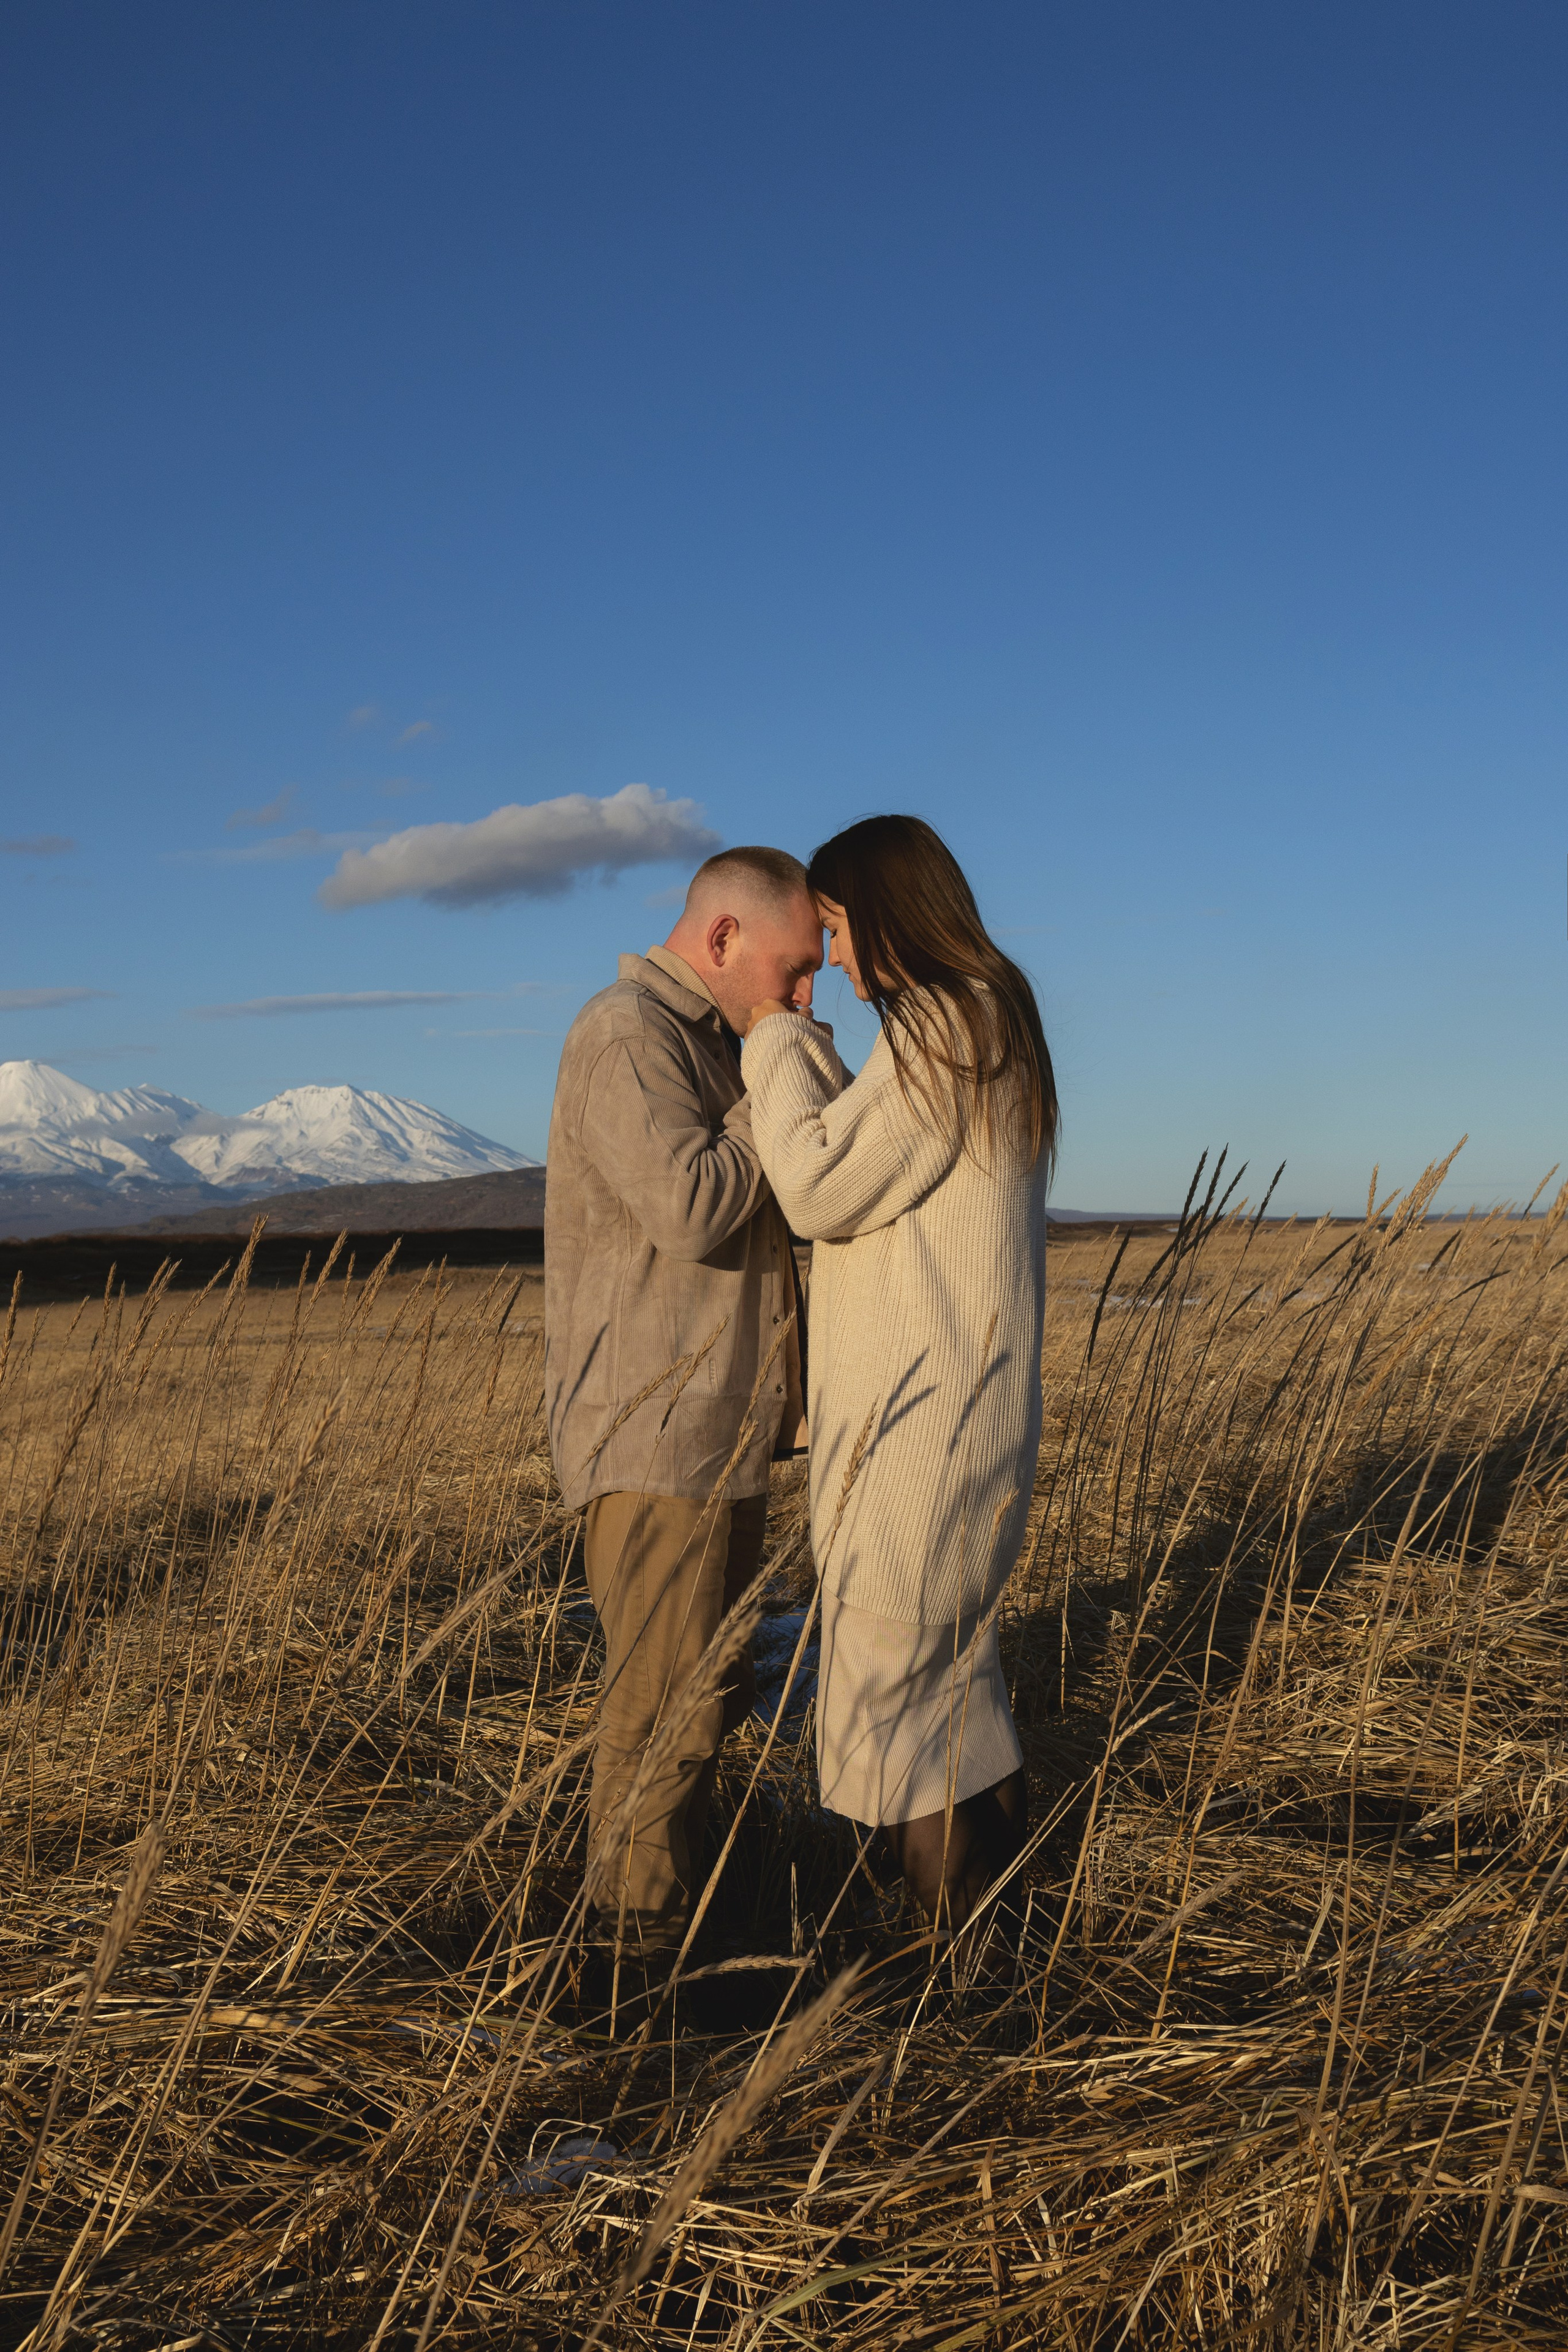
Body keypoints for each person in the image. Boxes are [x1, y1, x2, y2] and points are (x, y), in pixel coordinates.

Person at [740, 815, 1056, 1943]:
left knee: (901, 1713)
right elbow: (876, 1157)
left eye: (835, 927)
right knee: (955, 1691)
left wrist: (777, 1042)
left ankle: (955, 1975)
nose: (829, 958)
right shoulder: (982, 1017)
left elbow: (817, 1189)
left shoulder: (944, 1025)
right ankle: (1009, 1944)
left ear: (886, 911)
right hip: (962, 1415)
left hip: (920, 1432)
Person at [545, 846, 823, 1957]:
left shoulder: (707, 1041)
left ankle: (665, 1927)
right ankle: (631, 1958)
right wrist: (773, 1086)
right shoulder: (628, 1033)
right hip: (656, 1441)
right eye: (795, 970)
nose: (806, 995)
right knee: (665, 1708)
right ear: (721, 938)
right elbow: (693, 1206)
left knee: (701, 1698)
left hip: (714, 1433)